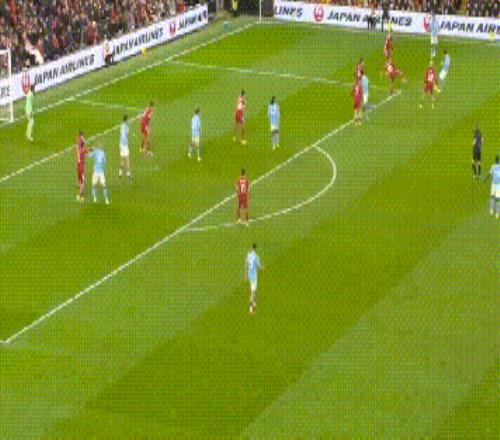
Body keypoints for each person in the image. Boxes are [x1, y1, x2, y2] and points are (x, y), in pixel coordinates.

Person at [246, 243, 264, 314]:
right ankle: (251, 309)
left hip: (249, 275)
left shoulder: (248, 255)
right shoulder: (256, 257)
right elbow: (259, 267)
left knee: (254, 290)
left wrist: (245, 274)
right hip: (254, 276)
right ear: (255, 248)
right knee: (252, 292)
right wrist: (263, 268)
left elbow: (246, 264)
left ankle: (254, 303)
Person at [76, 130, 87, 202]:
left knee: (80, 179)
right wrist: (92, 149)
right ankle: (80, 195)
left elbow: (79, 140)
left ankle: (79, 185)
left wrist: (81, 136)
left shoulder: (78, 147)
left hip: (78, 166)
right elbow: (87, 150)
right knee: (83, 182)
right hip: (82, 167)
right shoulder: (83, 149)